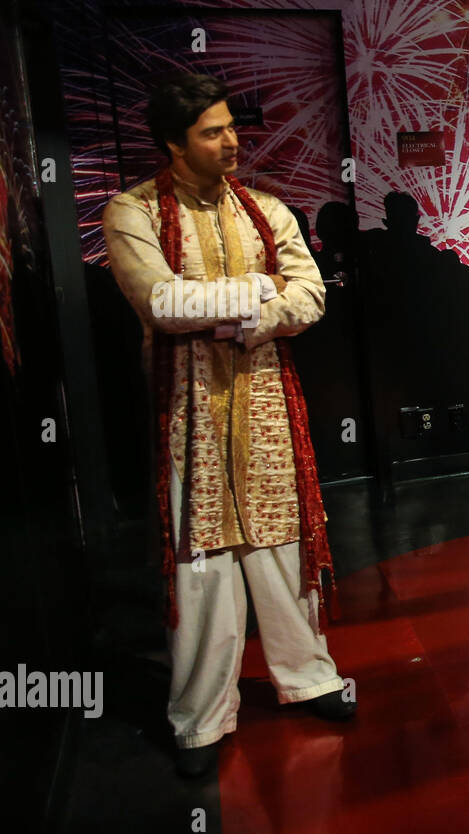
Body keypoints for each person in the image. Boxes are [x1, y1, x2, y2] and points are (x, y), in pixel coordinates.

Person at [102, 73, 355, 779]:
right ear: (173, 145)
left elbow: (311, 297)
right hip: (188, 408)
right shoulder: (133, 212)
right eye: (212, 133)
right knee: (202, 562)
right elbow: (160, 300)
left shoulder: (266, 210)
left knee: (280, 542)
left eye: (229, 128)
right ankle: (200, 716)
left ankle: (307, 676)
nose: (232, 141)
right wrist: (260, 295)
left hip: (267, 395)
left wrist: (250, 313)